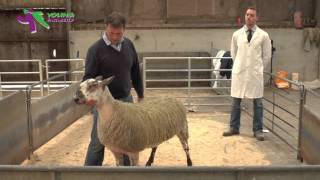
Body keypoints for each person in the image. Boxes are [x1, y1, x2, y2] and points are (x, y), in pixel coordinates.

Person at [82, 12, 144, 166]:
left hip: (126, 99)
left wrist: (140, 93)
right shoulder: (95, 50)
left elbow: (135, 70)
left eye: (119, 33)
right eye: (111, 33)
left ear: (124, 29)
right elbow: (88, 77)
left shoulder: (129, 45)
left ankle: (127, 172)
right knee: (98, 141)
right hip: (105, 103)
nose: (115, 36)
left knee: (128, 138)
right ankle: (89, 173)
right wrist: (88, 96)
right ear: (106, 28)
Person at [222, 7, 271, 141]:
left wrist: (258, 68)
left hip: (255, 74)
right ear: (245, 16)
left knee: (258, 103)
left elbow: (267, 56)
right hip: (241, 72)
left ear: (256, 18)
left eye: (252, 15)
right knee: (236, 101)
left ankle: (258, 130)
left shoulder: (263, 35)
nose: (249, 17)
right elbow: (233, 53)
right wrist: (241, 65)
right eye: (247, 15)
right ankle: (234, 127)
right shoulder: (237, 34)